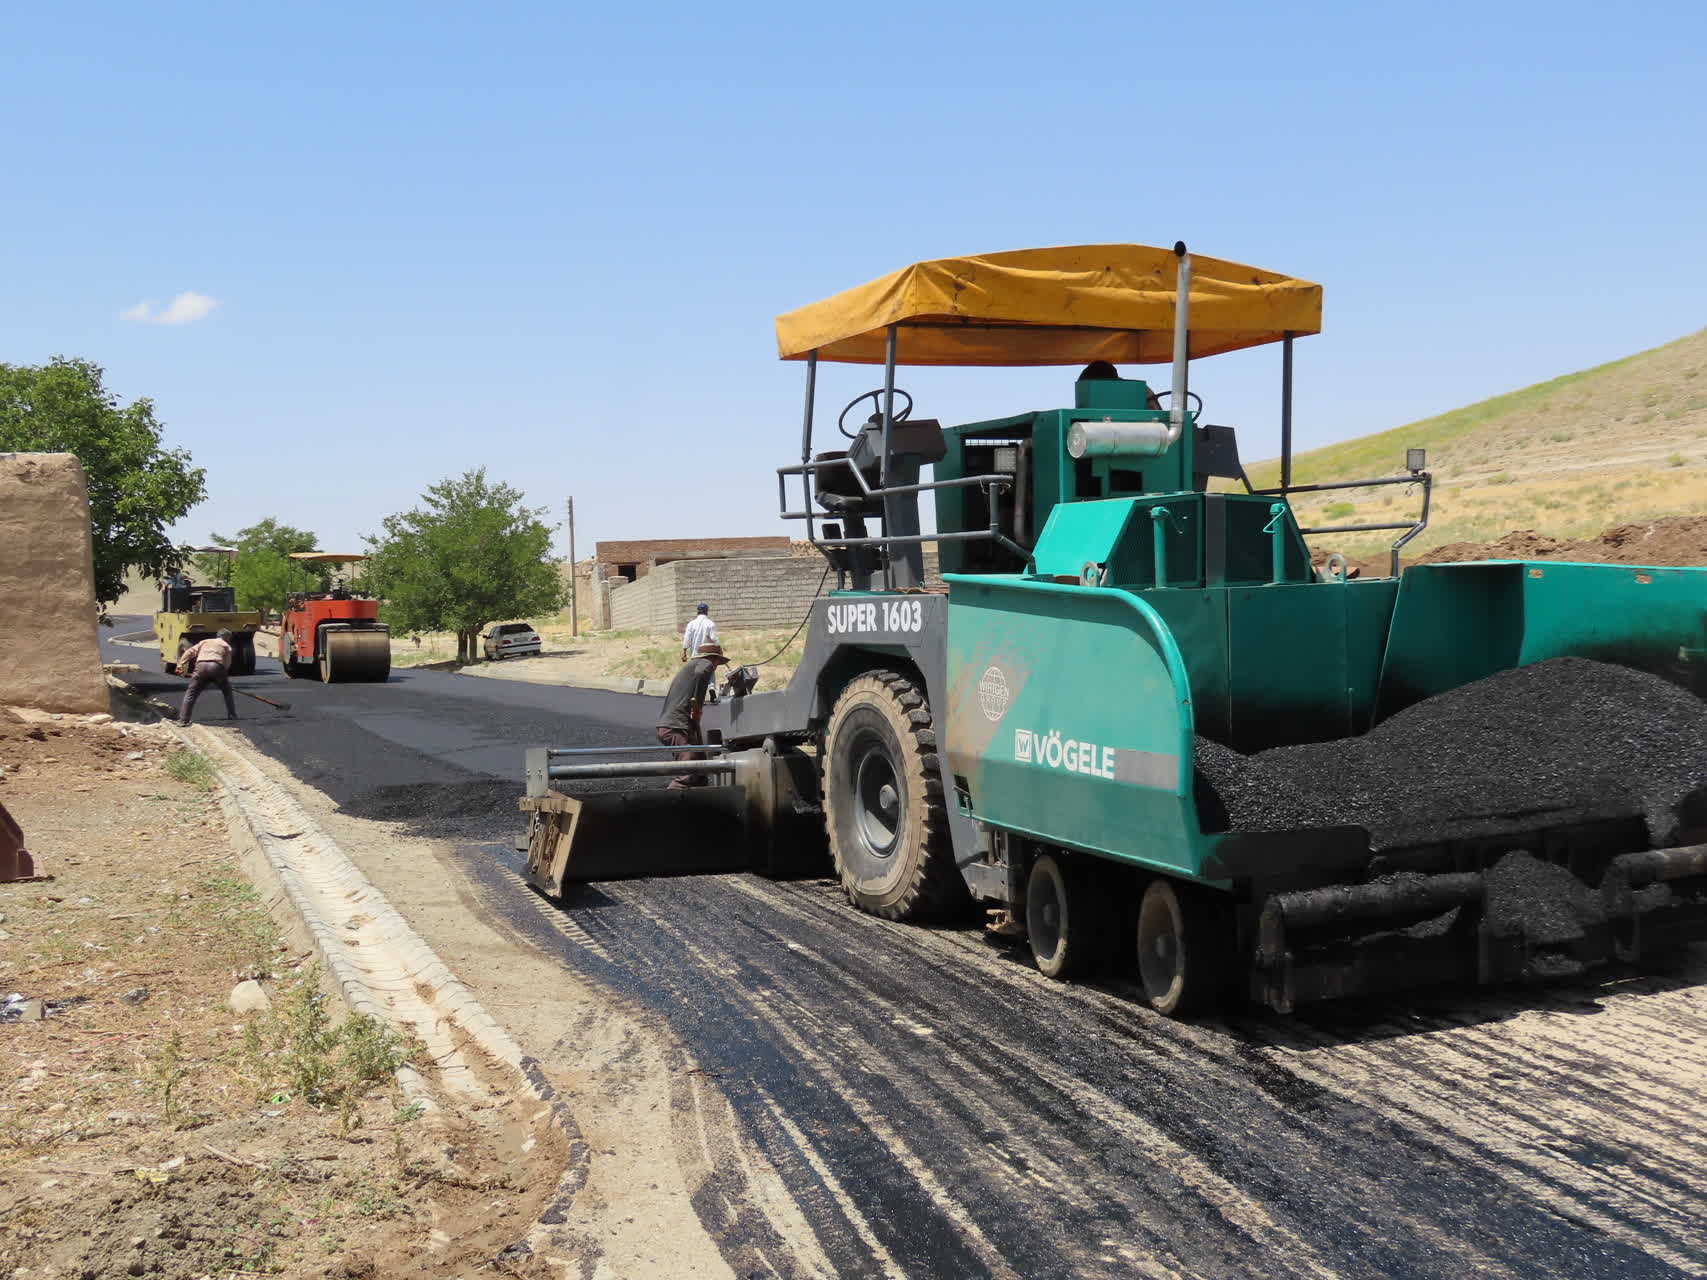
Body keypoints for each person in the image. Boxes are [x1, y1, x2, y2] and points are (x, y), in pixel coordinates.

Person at [656, 642, 731, 789]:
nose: (715, 667)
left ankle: (701, 800)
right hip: (675, 727)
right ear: (714, 659)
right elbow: (702, 672)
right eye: (717, 663)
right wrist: (696, 706)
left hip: (679, 725)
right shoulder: (705, 664)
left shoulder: (690, 668)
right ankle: (668, 802)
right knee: (688, 770)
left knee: (700, 768)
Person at [177, 629, 239, 726]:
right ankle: (232, 715)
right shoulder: (227, 646)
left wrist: (180, 664)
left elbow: (189, 652)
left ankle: (183, 720)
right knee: (227, 691)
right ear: (227, 637)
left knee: (191, 693)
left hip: (200, 667)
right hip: (217, 667)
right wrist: (220, 678)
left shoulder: (205, 642)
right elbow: (227, 665)